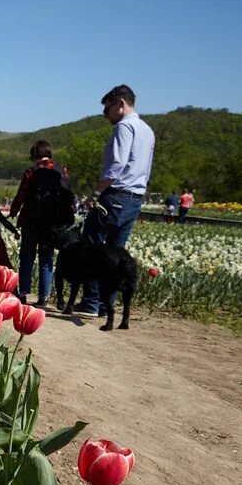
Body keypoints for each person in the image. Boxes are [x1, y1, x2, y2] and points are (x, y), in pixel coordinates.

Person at [76, 84, 155, 317]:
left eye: (107, 109)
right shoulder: (147, 130)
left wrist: (96, 194)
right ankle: (105, 304)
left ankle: (90, 302)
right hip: (135, 199)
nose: (105, 115)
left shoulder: (124, 127)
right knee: (116, 254)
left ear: (120, 103)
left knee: (92, 248)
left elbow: (116, 166)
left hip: (115, 196)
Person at [9, 140, 75, 308]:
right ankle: (44, 298)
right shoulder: (61, 171)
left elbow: (21, 195)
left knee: (27, 259)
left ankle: (23, 294)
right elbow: (69, 196)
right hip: (52, 225)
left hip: (31, 222)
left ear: (34, 156)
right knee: (46, 260)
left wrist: (14, 212)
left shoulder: (31, 172)